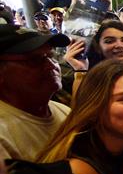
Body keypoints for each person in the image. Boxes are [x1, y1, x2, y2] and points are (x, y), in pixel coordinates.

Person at [0, 25, 71, 161]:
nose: (51, 65)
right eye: (34, 60)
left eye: (51, 56)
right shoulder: (3, 136)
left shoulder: (64, 111)